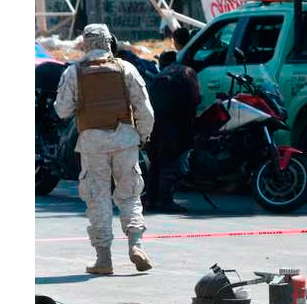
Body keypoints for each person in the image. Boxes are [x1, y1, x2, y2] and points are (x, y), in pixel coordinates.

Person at [54, 23, 155, 275]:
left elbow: (62, 110)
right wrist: (142, 135)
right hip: (125, 141)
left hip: (92, 144)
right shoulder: (126, 68)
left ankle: (104, 259)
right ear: (109, 41)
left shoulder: (74, 72)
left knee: (97, 198)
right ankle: (136, 246)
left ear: (86, 44)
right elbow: (145, 110)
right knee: (130, 195)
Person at [145, 50, 201, 213]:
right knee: (170, 164)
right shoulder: (187, 72)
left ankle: (151, 199)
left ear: (163, 62)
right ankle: (165, 200)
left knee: (156, 162)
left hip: (157, 125)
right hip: (178, 125)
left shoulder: (160, 75)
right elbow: (196, 99)